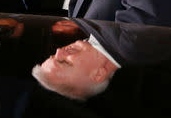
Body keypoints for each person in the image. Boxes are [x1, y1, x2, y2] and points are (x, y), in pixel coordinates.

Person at [31, 18, 171, 101]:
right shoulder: (132, 42)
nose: (59, 51)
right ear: (98, 74)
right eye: (64, 62)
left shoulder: (86, 25)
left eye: (53, 56)